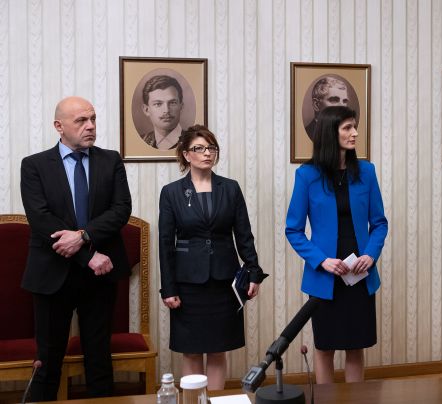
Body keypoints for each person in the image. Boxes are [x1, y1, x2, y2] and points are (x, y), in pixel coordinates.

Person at [20, 96, 132, 400]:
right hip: (52, 274)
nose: (91, 126)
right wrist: (88, 254)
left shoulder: (110, 160)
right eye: (81, 120)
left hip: (100, 275)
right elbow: (41, 219)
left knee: (99, 359)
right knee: (48, 361)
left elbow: (121, 209)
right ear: (59, 126)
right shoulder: (34, 165)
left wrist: (83, 236)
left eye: (93, 119)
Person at [158, 125, 267, 390]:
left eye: (211, 148)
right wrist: (168, 288)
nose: (207, 153)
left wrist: (253, 271)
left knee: (219, 349)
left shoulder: (230, 188)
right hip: (188, 283)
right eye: (199, 148)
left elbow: (244, 235)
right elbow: (165, 243)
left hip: (224, 281)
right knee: (191, 351)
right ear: (186, 155)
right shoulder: (172, 192)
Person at [286, 106, 388, 384]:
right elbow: (293, 230)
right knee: (325, 347)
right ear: (331, 132)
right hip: (325, 276)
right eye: (347, 128)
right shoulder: (307, 175)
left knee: (356, 346)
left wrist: (371, 255)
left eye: (355, 126)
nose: (355, 133)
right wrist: (322, 260)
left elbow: (380, 223)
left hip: (360, 274)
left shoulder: (366, 171)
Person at [140, 75, 186, 150]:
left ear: (181, 106)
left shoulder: (194, 141)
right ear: (146, 110)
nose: (166, 110)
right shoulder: (140, 142)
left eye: (172, 103)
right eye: (158, 104)